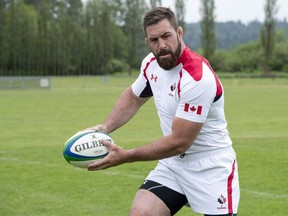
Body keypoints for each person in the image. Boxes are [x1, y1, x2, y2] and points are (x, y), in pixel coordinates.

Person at [86, 7, 240, 216]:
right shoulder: (151, 64)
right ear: (147, 42)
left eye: (166, 36)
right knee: (142, 213)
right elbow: (133, 98)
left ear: (179, 33)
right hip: (173, 164)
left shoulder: (197, 77)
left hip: (211, 167)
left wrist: (128, 156)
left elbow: (180, 141)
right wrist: (105, 127)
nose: (162, 45)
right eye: (154, 40)